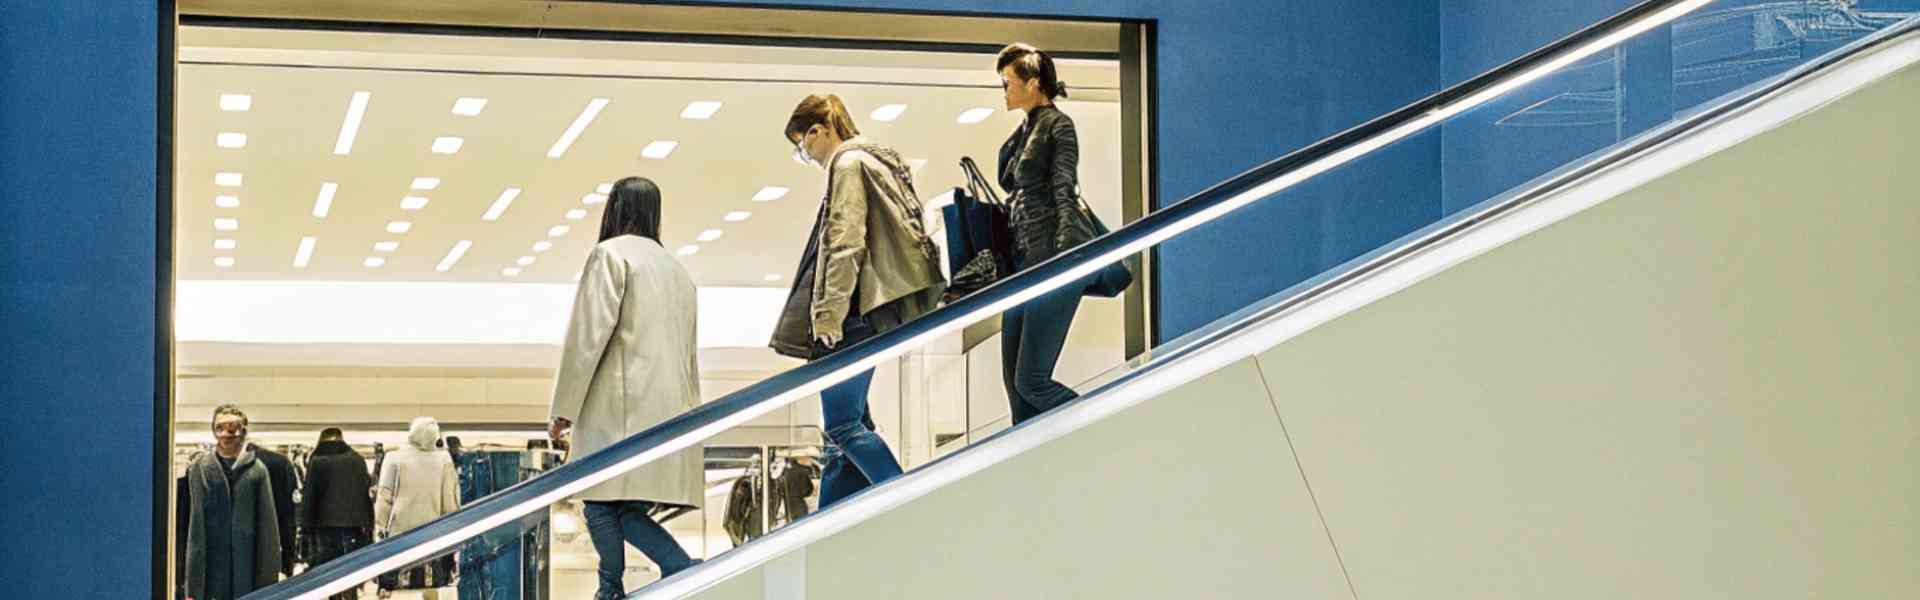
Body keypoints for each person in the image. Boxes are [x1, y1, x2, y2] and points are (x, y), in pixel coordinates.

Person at [770, 94, 948, 507]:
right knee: (844, 434)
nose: (808, 155)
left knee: (844, 427)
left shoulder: (847, 164)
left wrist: (828, 316)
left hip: (854, 315)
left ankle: (909, 501)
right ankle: (831, 531)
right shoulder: (878, 161)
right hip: (875, 310)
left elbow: (845, 242)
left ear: (820, 130)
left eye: (803, 145)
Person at [550, 176, 705, 598]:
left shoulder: (610, 255)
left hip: (618, 406)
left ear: (614, 208)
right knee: (623, 505)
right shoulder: (677, 269)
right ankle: (631, 580)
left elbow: (587, 337)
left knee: (599, 500)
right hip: (669, 408)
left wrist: (564, 408)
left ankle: (647, 576)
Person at [995, 43, 1092, 425]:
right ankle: (1036, 470)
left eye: (1007, 82)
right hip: (1023, 265)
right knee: (1016, 387)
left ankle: (1100, 426)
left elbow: (1065, 187)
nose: (1003, 90)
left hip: (1051, 259)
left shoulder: (1058, 125)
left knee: (1031, 381)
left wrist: (1065, 254)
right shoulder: (1026, 129)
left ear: (1033, 83)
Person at [184, 405, 283, 600]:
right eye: (219, 428)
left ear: (243, 430)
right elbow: (194, 529)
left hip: (247, 573)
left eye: (232, 428)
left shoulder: (257, 470)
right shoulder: (200, 469)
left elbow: (268, 531)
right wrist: (192, 589)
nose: (225, 434)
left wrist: (269, 587)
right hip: (212, 574)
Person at [373, 417, 459, 599]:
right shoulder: (444, 459)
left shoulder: (393, 458)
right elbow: (449, 502)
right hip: (433, 537)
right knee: (430, 590)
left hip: (399, 536)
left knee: (397, 591)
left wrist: (380, 528)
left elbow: (384, 498)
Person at [300, 428, 374, 600]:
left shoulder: (317, 461)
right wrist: (369, 527)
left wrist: (305, 528)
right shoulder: (358, 460)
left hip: (324, 528)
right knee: (351, 574)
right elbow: (366, 497)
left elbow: (310, 497)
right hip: (355, 527)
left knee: (329, 575)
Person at [249, 443, 297, 578]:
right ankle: (287, 572)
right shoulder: (281, 460)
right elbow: (292, 490)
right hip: (281, 512)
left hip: (254, 517)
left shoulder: (242, 464)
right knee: (284, 544)